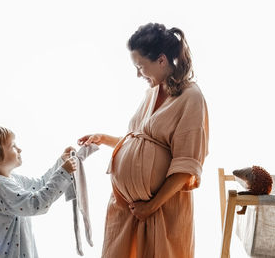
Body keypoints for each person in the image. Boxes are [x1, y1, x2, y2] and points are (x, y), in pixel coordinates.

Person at [78, 23, 209, 258]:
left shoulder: (191, 97)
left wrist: (151, 206)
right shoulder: (152, 93)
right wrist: (105, 139)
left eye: (140, 67)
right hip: (128, 210)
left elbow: (186, 165)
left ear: (161, 60)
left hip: (161, 209)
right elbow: (142, 143)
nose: (138, 74)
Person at [0, 125, 77, 258]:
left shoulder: (10, 179)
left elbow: (40, 185)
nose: (19, 149)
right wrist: (63, 173)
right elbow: (35, 204)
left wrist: (61, 163)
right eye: (13, 146)